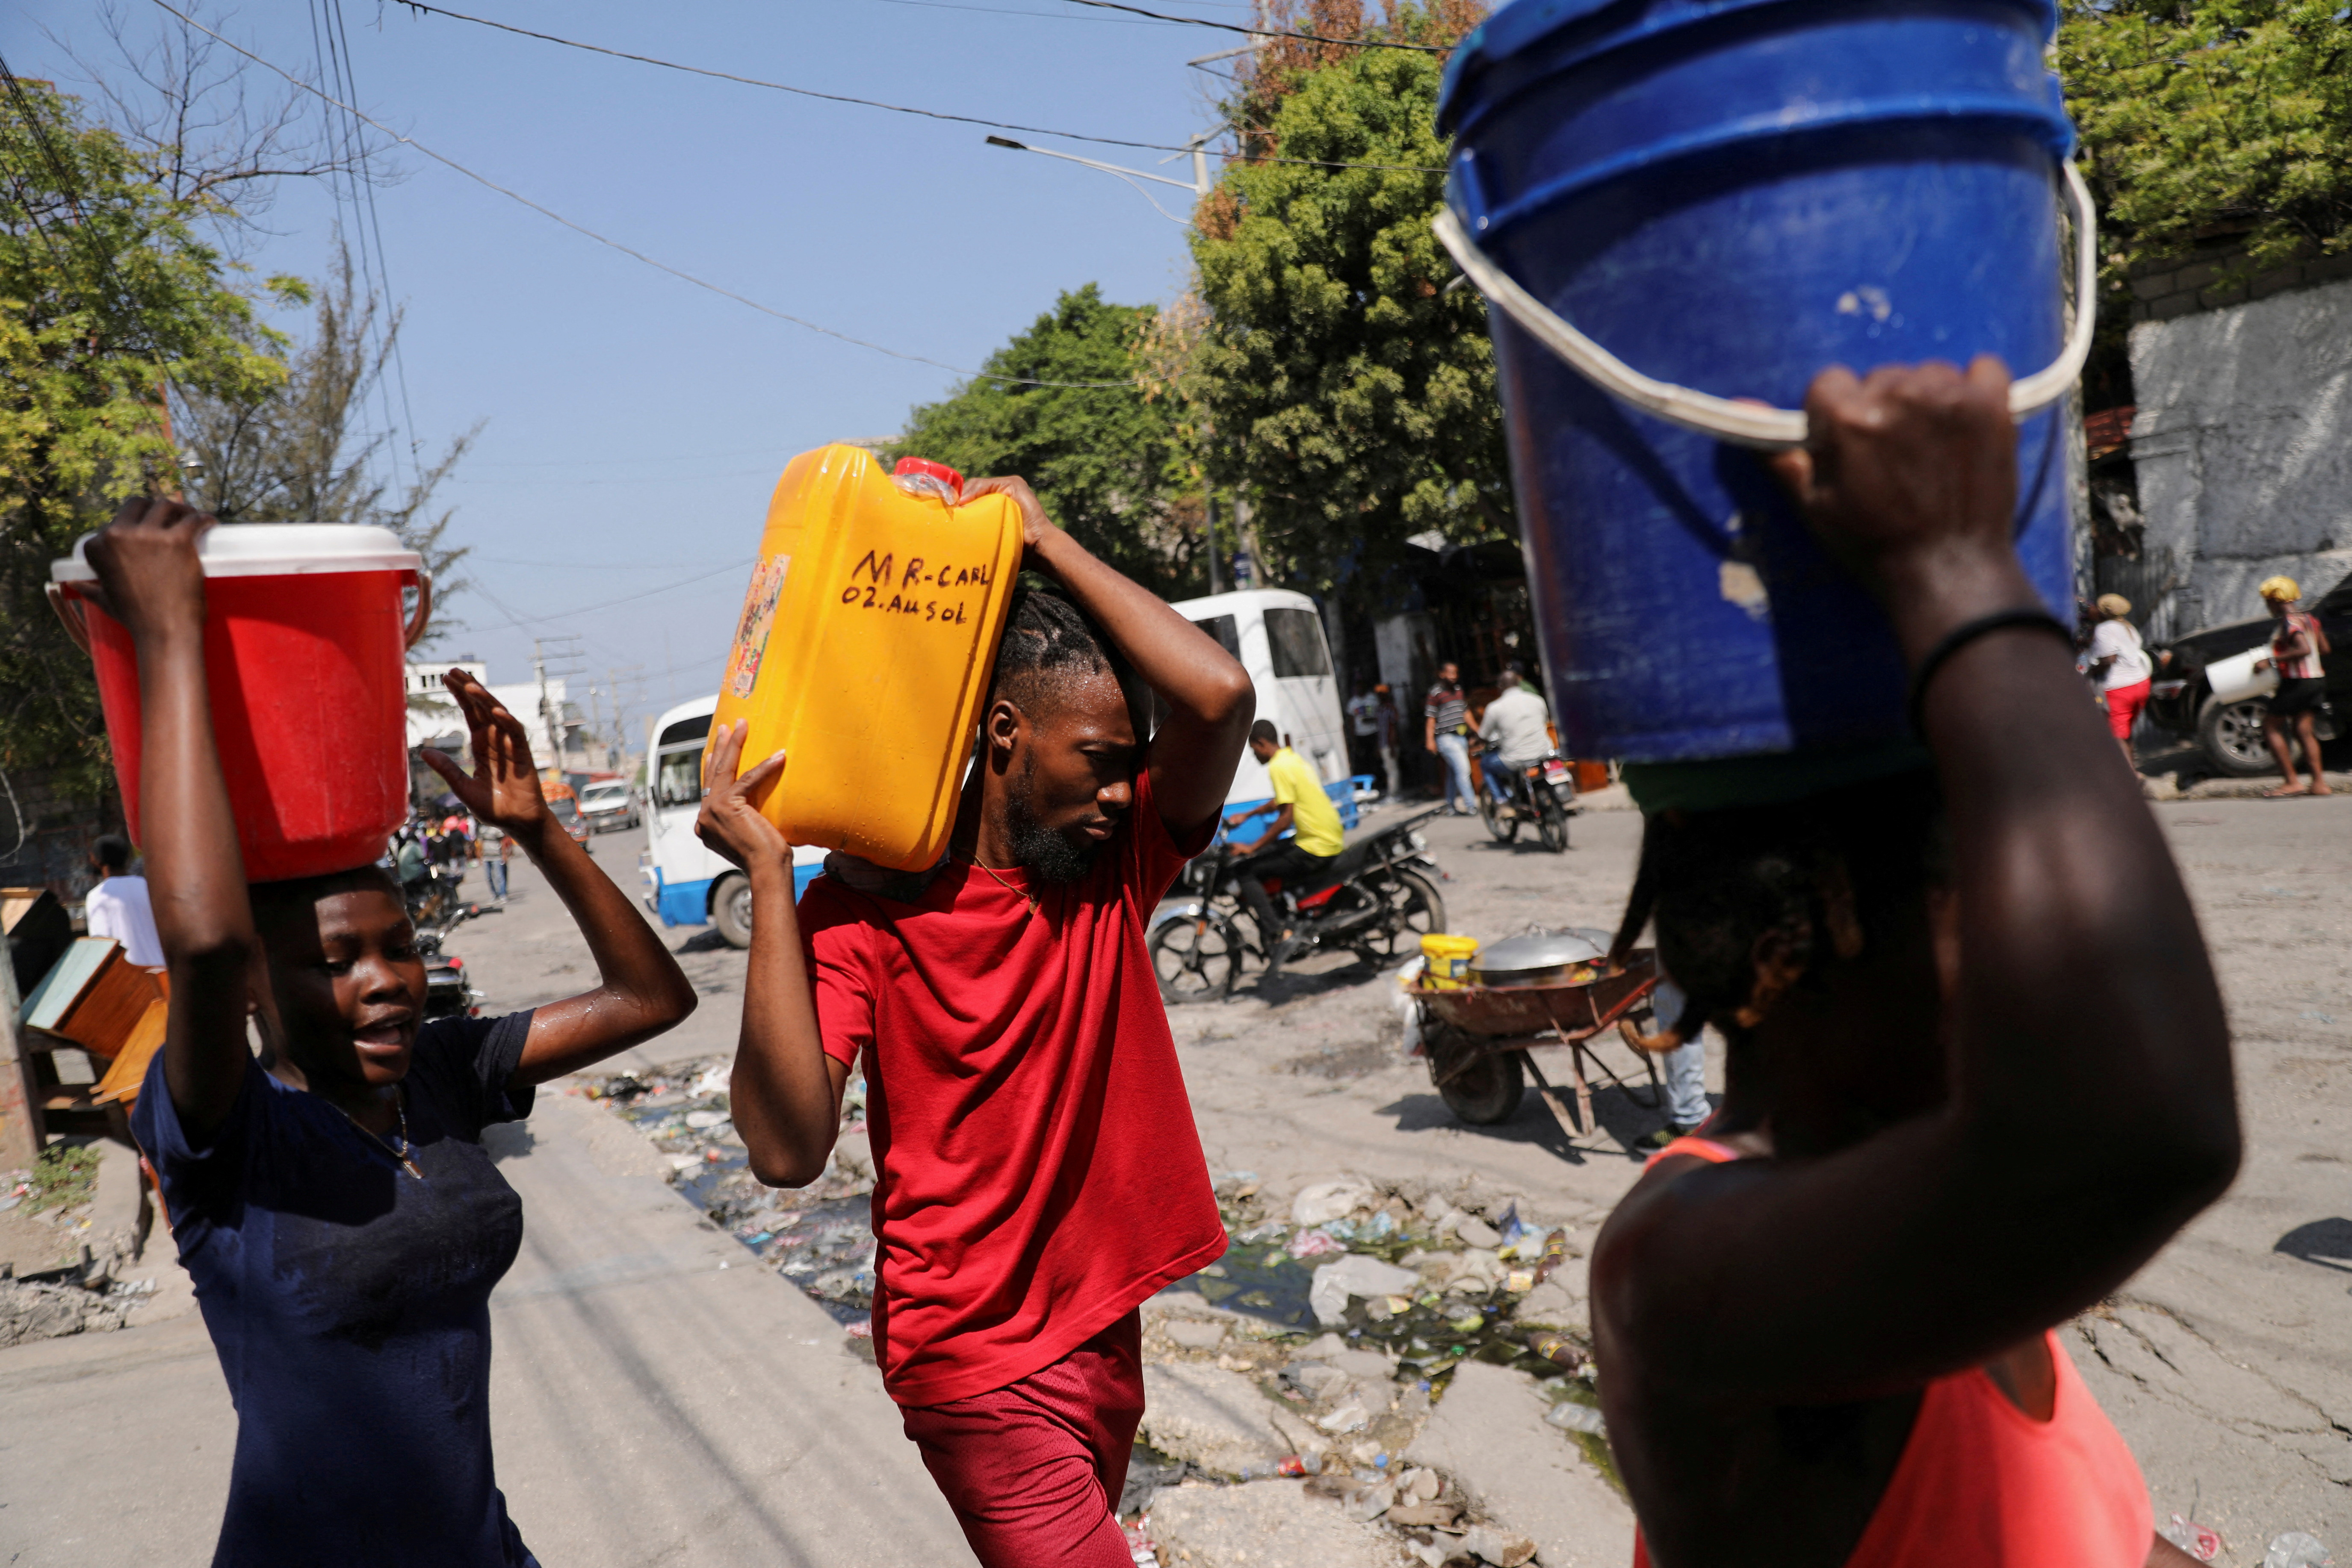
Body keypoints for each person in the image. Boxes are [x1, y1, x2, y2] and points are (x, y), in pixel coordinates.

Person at [1593, 359, 2236, 1568]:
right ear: (1807, 917)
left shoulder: (1946, 1203)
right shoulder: (1680, 1266)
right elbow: (2153, 1127)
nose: (2031, 939)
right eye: (1974, 881)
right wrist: (1956, 570)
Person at [95, 496, 697, 1568]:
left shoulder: (443, 1076)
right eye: (334, 963)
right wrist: (168, 633)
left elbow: (651, 998)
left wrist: (540, 830)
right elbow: (197, 941)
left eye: (400, 945)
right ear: (255, 990)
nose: (386, 984)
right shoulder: (230, 1135)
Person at [694, 474, 1253, 1568]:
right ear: (1005, 733)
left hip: (1099, 1322)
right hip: (971, 1356)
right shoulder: (863, 906)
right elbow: (783, 1146)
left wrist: (1039, 535)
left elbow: (1218, 694)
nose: (1117, 793)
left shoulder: (1115, 863)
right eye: (1097, 760)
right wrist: (771, 876)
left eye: (1129, 769)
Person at [1224, 718, 1347, 980]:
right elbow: (1280, 801)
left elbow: (1284, 819)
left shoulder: (1278, 768)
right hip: (1326, 837)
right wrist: (1248, 815)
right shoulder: (1292, 759)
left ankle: (1280, 932)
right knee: (1267, 856)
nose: (1254, 754)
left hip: (1315, 846)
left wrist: (1251, 847)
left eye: (1253, 749)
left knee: (1247, 871)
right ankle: (1287, 913)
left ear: (1261, 744)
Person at [2251, 576, 2333, 797]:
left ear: (2277, 600)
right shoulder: (2310, 619)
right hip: (2317, 680)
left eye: (2268, 602)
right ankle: (2319, 784)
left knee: (2270, 726)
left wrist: (2271, 661)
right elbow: (2324, 649)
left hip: (2298, 682)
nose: (2268, 607)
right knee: (2303, 730)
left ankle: (2291, 782)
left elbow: (2304, 649)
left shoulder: (2289, 622)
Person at [2086, 593, 2153, 765]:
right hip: (2141, 683)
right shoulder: (2128, 627)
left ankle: (2130, 778)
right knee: (2125, 732)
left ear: (2102, 612)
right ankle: (2133, 771)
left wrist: (2090, 673)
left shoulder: (2105, 629)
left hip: (2120, 688)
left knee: (2115, 736)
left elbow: (2109, 660)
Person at [1476, 663, 1554, 806]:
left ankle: (1502, 801)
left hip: (1515, 759)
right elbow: (1545, 721)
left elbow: (1484, 735)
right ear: (1519, 682)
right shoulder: (1537, 700)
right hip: (1545, 752)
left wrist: (1477, 742)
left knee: (1486, 764)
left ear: (1500, 687)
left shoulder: (1495, 708)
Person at [83, 833, 164, 967]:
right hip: (161, 968)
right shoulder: (148, 887)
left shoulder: (97, 896)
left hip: (129, 974)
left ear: (96, 860)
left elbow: (100, 945)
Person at [1424, 661, 1476, 815]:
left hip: (1461, 738)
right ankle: (1471, 805)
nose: (1453, 677)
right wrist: (1430, 741)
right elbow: (1431, 719)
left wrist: (1478, 731)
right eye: (1450, 673)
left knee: (1454, 774)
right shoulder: (1435, 693)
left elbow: (1466, 713)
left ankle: (1450, 806)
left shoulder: (1459, 691)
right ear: (1442, 674)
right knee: (1464, 770)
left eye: (1455, 673)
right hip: (1446, 738)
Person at [1345, 678, 1383, 780]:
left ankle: (1379, 781)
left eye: (1361, 687)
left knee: (1376, 759)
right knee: (1363, 760)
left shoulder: (1373, 699)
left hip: (1374, 732)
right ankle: (1368, 782)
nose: (1359, 689)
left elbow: (1381, 715)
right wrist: (1353, 739)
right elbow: (1351, 722)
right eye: (1357, 688)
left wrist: (1372, 720)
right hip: (1360, 735)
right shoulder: (1353, 702)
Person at [1373, 683, 1402, 797]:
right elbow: (1380, 730)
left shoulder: (1391, 709)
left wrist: (1392, 746)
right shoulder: (1379, 710)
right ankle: (1393, 792)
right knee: (1388, 769)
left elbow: (1393, 728)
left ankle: (1394, 794)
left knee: (1392, 770)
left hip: (1390, 744)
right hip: (1383, 743)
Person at [482, 821, 511, 903]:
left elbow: (502, 842)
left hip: (497, 856)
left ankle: (503, 894)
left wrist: (504, 855)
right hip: (486, 857)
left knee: (500, 876)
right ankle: (494, 895)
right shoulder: (482, 829)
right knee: (488, 877)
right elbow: (480, 842)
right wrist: (479, 856)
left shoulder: (496, 829)